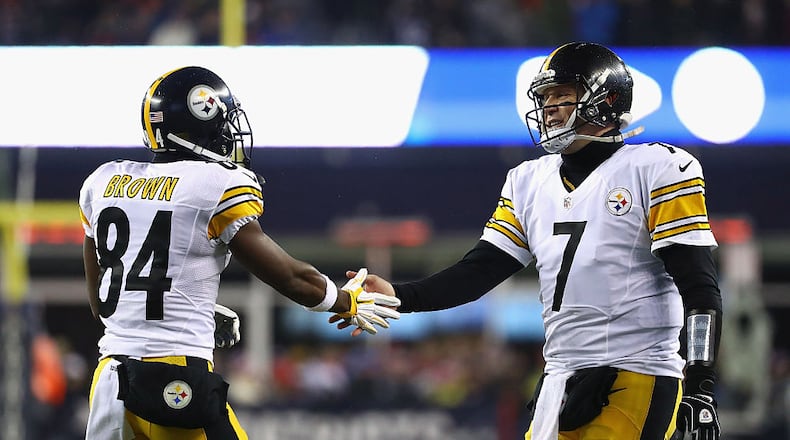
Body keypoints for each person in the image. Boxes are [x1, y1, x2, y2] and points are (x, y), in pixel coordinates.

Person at [333, 42, 723, 440]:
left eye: (562, 95)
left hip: (637, 373)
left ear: (607, 100)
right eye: (545, 97)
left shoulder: (659, 168)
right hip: (558, 381)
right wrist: (399, 295)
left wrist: (700, 383)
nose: (549, 107)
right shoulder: (527, 181)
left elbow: (699, 287)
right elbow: (479, 271)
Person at [79, 66, 400, 440]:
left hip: (107, 385)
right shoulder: (215, 184)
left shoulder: (103, 181)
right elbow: (289, 277)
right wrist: (346, 301)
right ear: (201, 120)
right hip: (173, 380)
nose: (229, 134)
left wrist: (192, 307)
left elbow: (103, 302)